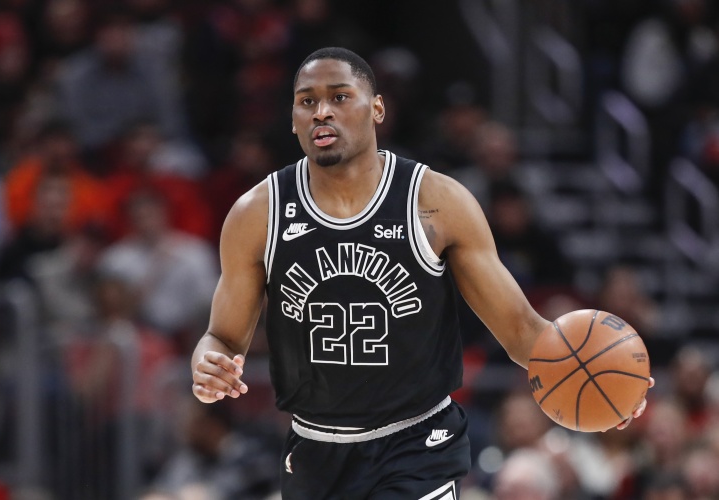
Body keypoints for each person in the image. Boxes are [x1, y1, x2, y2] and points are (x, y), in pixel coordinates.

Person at [191, 47, 654, 499]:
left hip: (417, 445)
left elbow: (520, 330)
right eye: (306, 101)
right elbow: (222, 338)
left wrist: (607, 383)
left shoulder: (436, 201)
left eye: (339, 96)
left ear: (377, 109)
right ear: (293, 120)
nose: (322, 112)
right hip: (315, 450)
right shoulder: (257, 214)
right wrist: (207, 362)